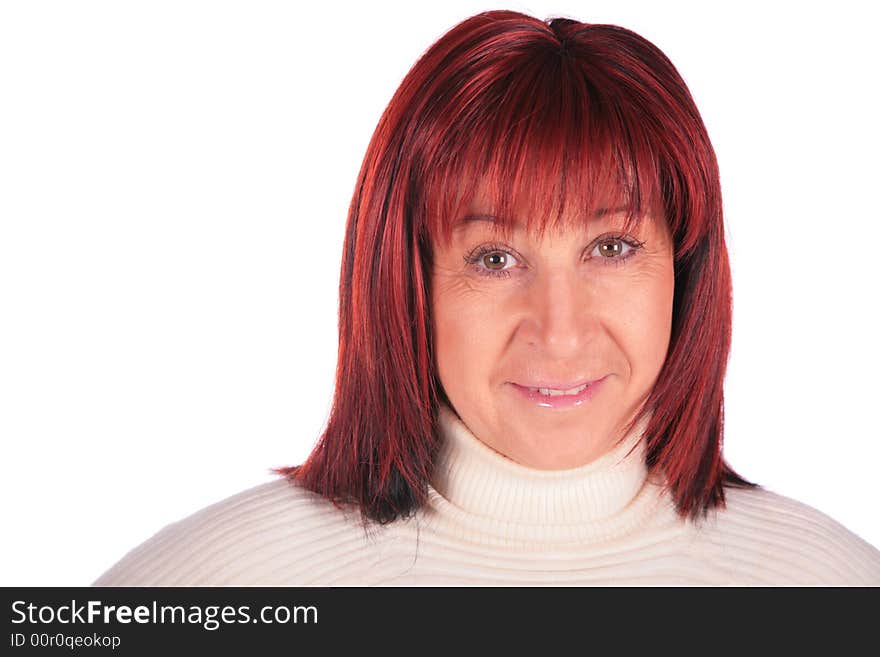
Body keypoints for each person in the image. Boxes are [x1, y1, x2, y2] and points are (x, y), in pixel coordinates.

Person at [93, 9, 880, 586]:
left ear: (686, 266)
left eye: (611, 247)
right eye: (496, 257)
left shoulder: (827, 582)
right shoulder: (209, 590)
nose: (561, 332)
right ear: (409, 281)